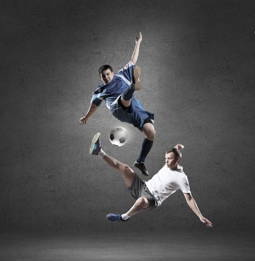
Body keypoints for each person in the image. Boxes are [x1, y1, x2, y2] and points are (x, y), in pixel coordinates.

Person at [89, 132, 213, 227]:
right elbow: (175, 151)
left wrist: (200, 216)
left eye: (169, 159)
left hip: (152, 200)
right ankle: (99, 151)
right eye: (166, 158)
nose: (166, 161)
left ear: (177, 160)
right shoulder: (169, 162)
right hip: (143, 187)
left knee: (142, 201)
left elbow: (189, 199)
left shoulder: (181, 177)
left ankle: (123, 217)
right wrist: (178, 147)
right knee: (125, 168)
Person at [80, 32, 156, 176]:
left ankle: (140, 161)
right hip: (117, 107)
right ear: (100, 78)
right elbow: (95, 105)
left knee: (151, 133)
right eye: (103, 76)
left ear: (113, 73)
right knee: (124, 99)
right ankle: (133, 86)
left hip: (134, 108)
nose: (106, 77)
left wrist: (138, 43)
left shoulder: (122, 74)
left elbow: (133, 60)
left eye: (108, 74)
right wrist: (86, 116)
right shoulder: (100, 90)